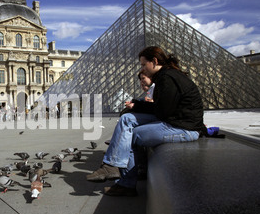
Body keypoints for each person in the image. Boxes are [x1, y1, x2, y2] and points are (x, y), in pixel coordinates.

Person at [86, 46, 206, 197]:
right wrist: (137, 106)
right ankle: (112, 166)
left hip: (184, 129)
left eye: (143, 64)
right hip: (176, 121)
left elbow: (163, 111)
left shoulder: (167, 78)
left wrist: (138, 106)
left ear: (154, 62)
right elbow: (162, 109)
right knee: (126, 119)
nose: (142, 68)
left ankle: (124, 181)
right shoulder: (166, 75)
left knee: (131, 135)